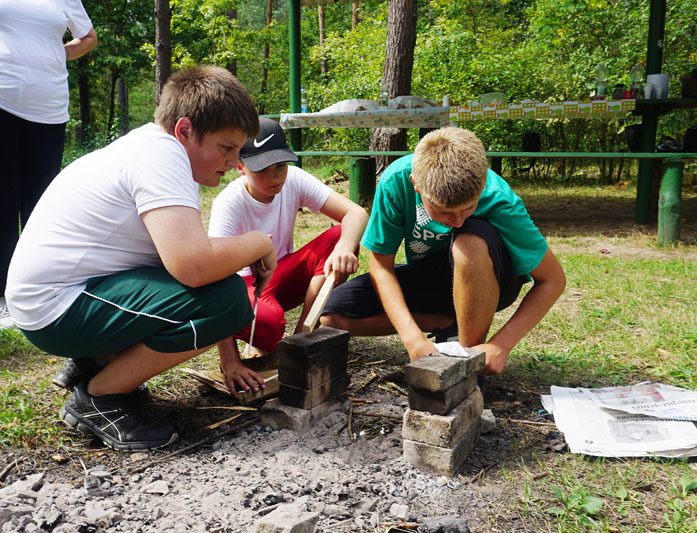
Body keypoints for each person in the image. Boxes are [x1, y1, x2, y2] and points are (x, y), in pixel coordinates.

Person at [4, 65, 275, 451]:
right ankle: (99, 398)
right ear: (185, 130)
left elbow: (186, 260)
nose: (233, 162)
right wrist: (260, 242)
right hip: (56, 308)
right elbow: (193, 266)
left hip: (63, 297)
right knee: (229, 299)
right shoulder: (161, 155)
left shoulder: (152, 147)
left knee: (215, 286)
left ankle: (95, 363)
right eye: (226, 148)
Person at [321, 127, 566, 375]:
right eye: (443, 212)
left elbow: (552, 280)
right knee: (332, 318)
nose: (457, 221)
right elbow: (380, 264)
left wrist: (500, 346)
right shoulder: (395, 182)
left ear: (481, 187)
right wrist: (411, 337)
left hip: (491, 276)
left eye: (468, 208)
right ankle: (445, 324)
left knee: (468, 242)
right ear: (415, 184)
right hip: (433, 275)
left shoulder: (500, 199)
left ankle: (466, 362)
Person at [208, 118, 368, 386]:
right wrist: (230, 360)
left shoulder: (293, 180)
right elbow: (211, 284)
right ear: (239, 166)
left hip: (284, 274)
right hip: (242, 286)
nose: (275, 176)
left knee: (343, 237)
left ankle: (301, 338)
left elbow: (356, 213)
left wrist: (343, 248)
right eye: (262, 169)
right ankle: (262, 339)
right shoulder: (229, 203)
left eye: (280, 166)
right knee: (269, 327)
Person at [0, 0, 98, 328]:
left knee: (40, 202)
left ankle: (39, 290)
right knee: (3, 197)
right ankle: (3, 295)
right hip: (2, 98)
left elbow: (88, 37)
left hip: (49, 107)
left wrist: (58, 54)